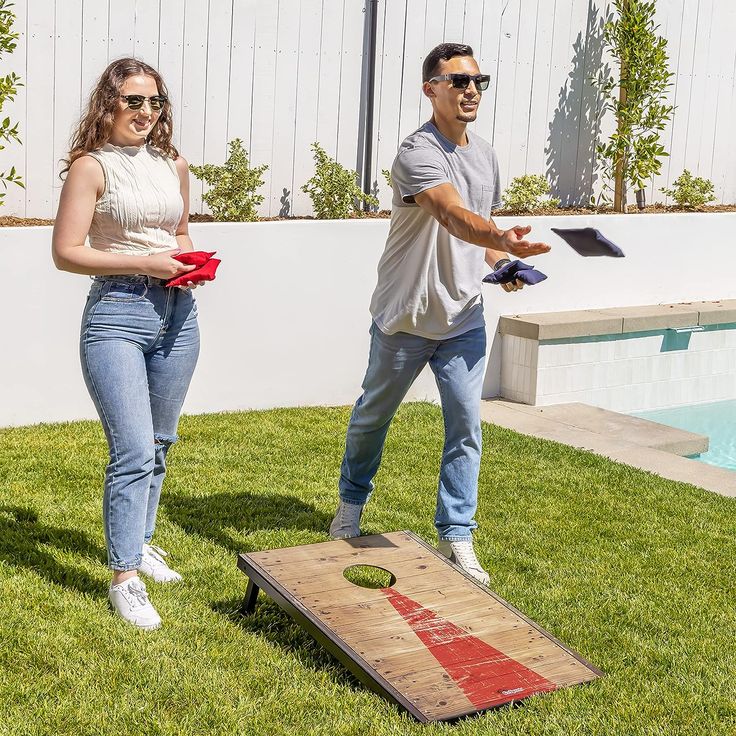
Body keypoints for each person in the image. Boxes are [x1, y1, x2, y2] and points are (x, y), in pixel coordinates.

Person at [329, 43, 551, 585]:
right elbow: (453, 215)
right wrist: (496, 236)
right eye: (458, 81)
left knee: (466, 424)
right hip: (405, 317)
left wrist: (502, 261)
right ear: (431, 89)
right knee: (371, 419)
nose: (471, 90)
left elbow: (481, 228)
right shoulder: (416, 152)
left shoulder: (485, 154)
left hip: (463, 319)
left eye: (479, 82)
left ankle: (457, 535)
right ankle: (351, 506)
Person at [52, 58, 201, 630]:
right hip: (117, 310)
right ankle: (124, 577)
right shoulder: (91, 167)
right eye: (133, 101)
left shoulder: (172, 165)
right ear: (108, 104)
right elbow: (66, 252)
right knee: (134, 448)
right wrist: (145, 262)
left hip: (177, 311)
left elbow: (180, 231)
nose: (145, 112)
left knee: (161, 441)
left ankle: (141, 544)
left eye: (155, 102)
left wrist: (190, 262)